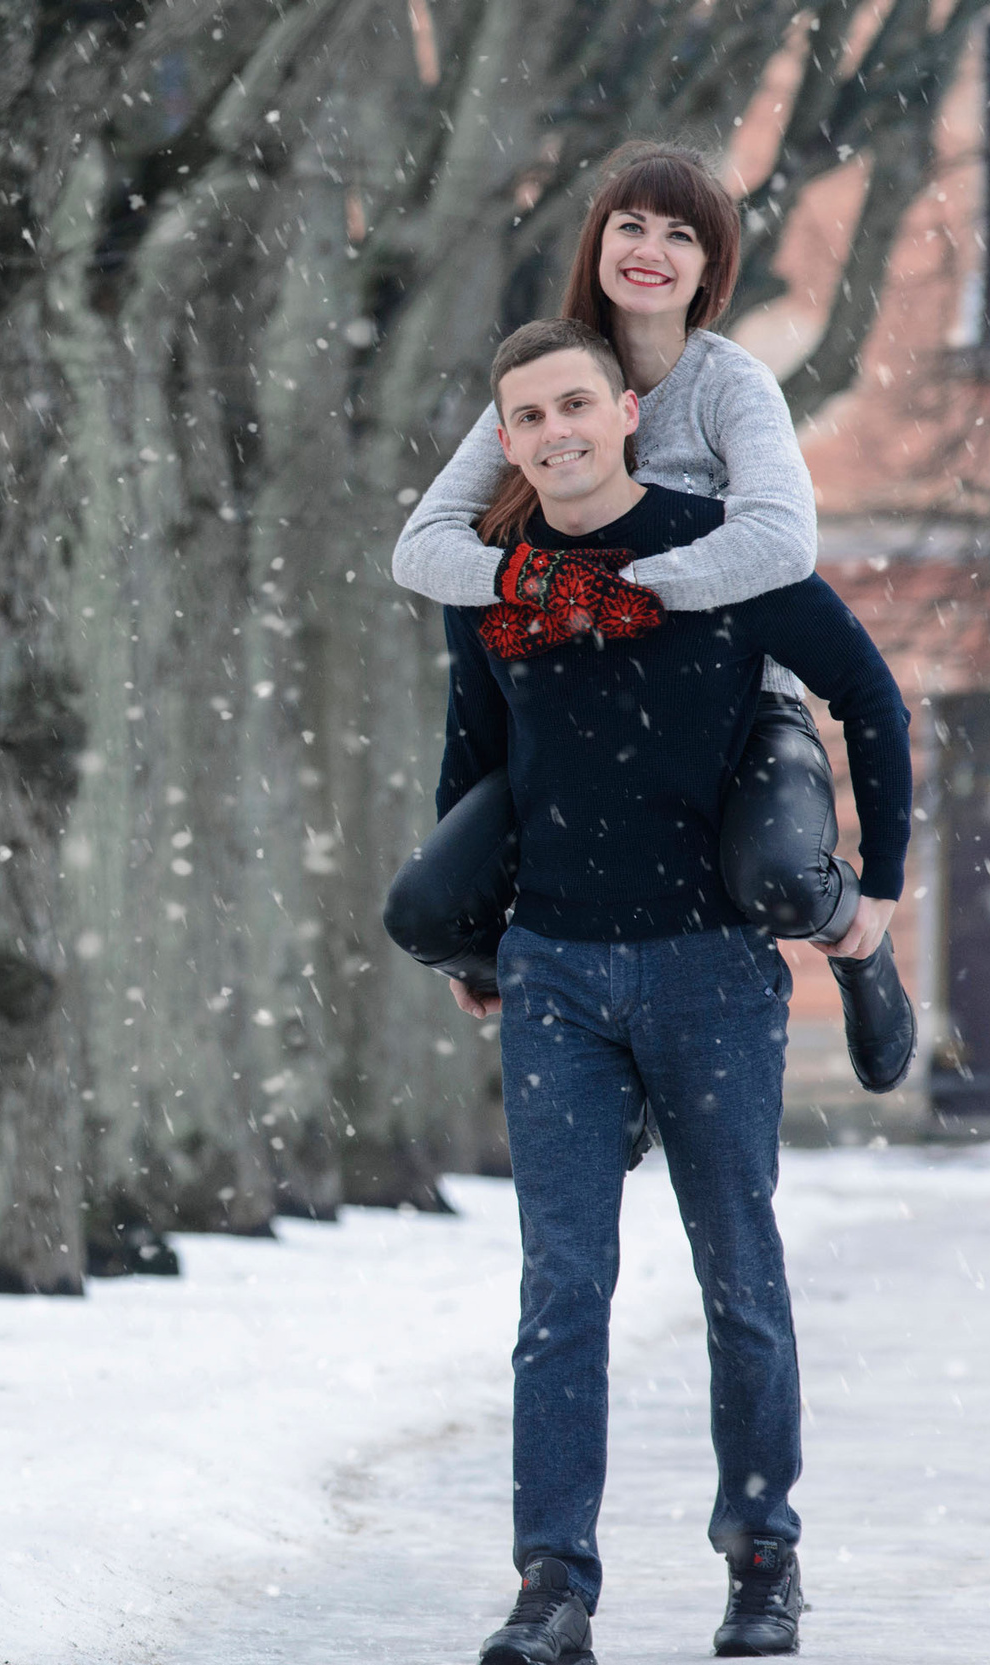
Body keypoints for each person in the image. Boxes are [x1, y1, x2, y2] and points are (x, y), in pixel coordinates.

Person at [438, 317, 910, 1665]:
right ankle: (553, 1582)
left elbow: (866, 693)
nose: (555, 432)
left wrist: (881, 881)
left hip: (711, 970)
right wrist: (479, 949)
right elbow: (468, 767)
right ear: (510, 438)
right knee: (561, 1285)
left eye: (575, 404)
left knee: (738, 1273)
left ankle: (764, 1553)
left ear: (630, 409)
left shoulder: (725, 548)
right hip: (556, 976)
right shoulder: (496, 579)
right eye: (528, 417)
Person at [382, 141, 912, 1094]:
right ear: (598, 240)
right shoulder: (550, 378)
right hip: (575, 709)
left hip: (734, 703)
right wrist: (541, 588)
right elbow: (425, 549)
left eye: (682, 235)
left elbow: (781, 543)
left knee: (780, 877)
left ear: (711, 269)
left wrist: (632, 587)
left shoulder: (731, 387)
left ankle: (855, 941)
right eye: (631, 225)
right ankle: (570, 1047)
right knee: (429, 907)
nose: (650, 249)